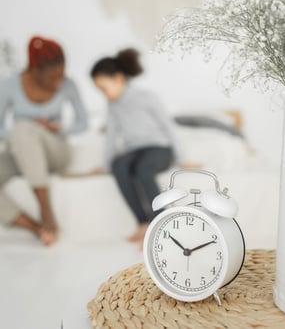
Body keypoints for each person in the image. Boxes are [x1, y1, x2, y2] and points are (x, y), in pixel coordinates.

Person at [0, 35, 88, 245]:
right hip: (23, 151)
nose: (58, 82)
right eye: (52, 77)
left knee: (23, 127)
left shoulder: (69, 85)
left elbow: (82, 123)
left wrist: (57, 129)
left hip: (55, 151)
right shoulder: (10, 85)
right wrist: (20, 135)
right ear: (35, 70)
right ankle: (35, 227)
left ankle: (46, 213)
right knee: (22, 130)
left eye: (61, 74)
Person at [90, 48, 181, 243]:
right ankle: (142, 223)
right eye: (100, 91)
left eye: (105, 88)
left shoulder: (147, 97)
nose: (104, 94)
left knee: (143, 170)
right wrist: (105, 164)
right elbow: (111, 136)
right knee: (119, 166)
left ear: (119, 78)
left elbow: (169, 127)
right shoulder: (113, 105)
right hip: (135, 150)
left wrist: (184, 159)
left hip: (159, 148)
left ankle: (159, 227)